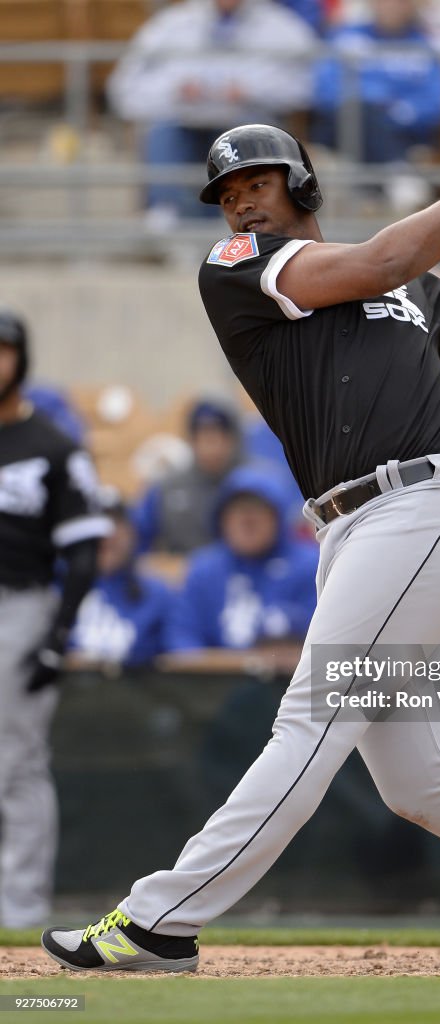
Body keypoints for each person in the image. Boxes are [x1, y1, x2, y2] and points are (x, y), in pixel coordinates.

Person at [41, 126, 440, 976]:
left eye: (256, 180)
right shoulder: (236, 265)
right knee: (423, 785)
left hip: (422, 509)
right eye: (227, 190)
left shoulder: (409, 282)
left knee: (309, 719)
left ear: (302, 182)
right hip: (353, 530)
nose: (238, 198)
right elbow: (375, 262)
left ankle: (160, 920)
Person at [0, 309, 109, 928]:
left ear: (21, 359)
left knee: (14, 762)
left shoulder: (54, 449)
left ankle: (18, 914)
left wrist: (57, 635)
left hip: (17, 605)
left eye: (3, 350)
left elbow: (85, 553)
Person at [107, 0, 316, 222]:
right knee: (163, 136)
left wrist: (252, 91)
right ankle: (171, 222)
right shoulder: (170, 25)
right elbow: (124, 90)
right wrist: (175, 91)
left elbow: (308, 87)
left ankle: (250, 227)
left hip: (247, 123)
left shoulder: (283, 27)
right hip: (180, 122)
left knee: (251, 140)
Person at [164, 466, 317, 652]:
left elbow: (328, 643)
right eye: (237, 511)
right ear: (222, 519)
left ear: (278, 518)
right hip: (215, 678)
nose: (247, 521)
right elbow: (181, 638)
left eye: (257, 511)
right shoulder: (204, 569)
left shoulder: (311, 565)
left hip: (289, 678)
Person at [311, 0, 440, 199]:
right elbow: (325, 91)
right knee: (361, 110)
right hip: (343, 124)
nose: (392, 5)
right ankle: (396, 171)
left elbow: (435, 102)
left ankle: (384, 181)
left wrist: (395, 111)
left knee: (371, 119)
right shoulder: (346, 37)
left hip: (401, 130)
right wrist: (377, 100)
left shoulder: (425, 44)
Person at [69, 493, 173, 668]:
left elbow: (181, 657)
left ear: (132, 534)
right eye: (94, 525)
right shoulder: (55, 591)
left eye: (114, 525)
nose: (105, 537)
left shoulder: (158, 595)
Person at [133, 397, 244, 555]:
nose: (211, 445)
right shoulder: (167, 488)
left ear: (234, 439)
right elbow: (138, 540)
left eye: (219, 435)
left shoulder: (256, 487)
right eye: (203, 436)